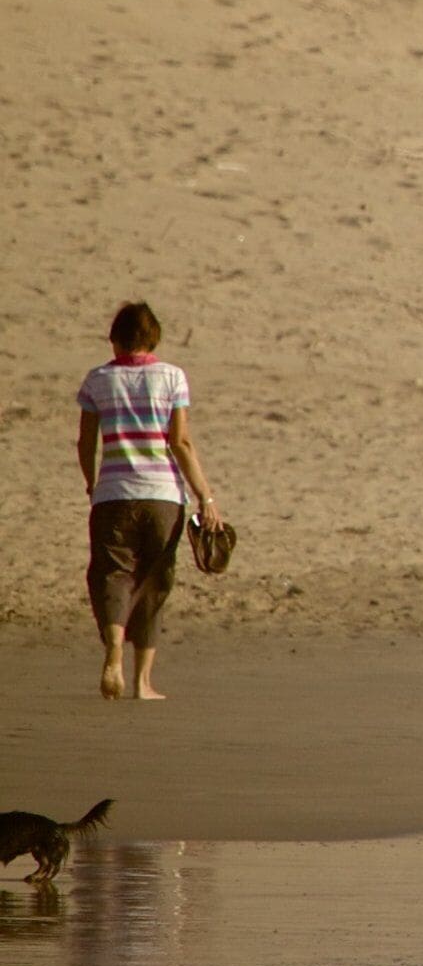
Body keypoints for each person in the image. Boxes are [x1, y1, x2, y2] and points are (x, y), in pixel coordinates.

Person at [76, 299, 223, 702]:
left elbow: (86, 442)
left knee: (112, 574)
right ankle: (142, 682)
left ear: (116, 339)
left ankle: (113, 652)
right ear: (153, 338)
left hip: (113, 494)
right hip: (163, 497)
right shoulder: (172, 377)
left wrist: (92, 483)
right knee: (154, 582)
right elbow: (181, 443)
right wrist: (205, 496)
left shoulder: (97, 380)